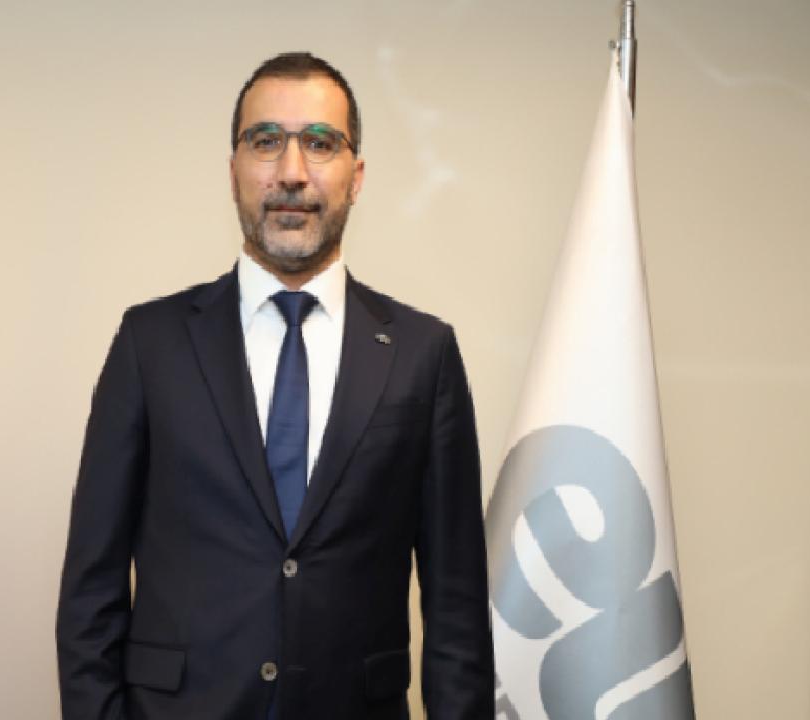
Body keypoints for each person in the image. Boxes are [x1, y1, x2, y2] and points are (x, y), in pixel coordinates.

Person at [57, 51, 493, 720]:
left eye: (320, 143)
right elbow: (92, 590)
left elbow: (456, 609)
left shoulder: (423, 355)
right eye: (266, 142)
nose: (291, 172)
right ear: (234, 170)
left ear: (356, 175)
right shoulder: (150, 344)